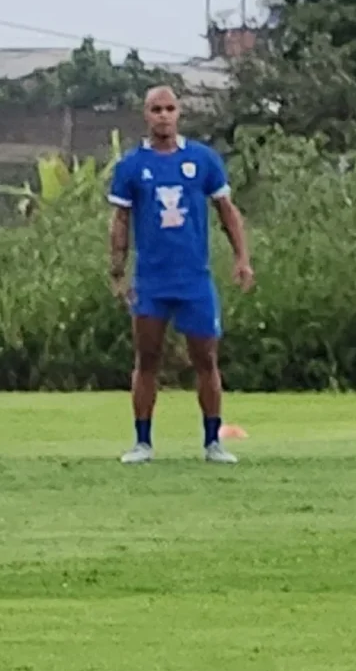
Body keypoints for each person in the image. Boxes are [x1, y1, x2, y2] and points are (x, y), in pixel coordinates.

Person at [107, 85, 255, 464]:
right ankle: (142, 442)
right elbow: (120, 220)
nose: (163, 115)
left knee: (206, 359)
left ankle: (212, 442)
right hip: (152, 280)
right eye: (156, 108)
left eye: (169, 108)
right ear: (146, 114)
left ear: (179, 113)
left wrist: (242, 258)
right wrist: (118, 269)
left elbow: (226, 211)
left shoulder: (202, 160)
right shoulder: (130, 166)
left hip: (194, 279)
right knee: (147, 359)